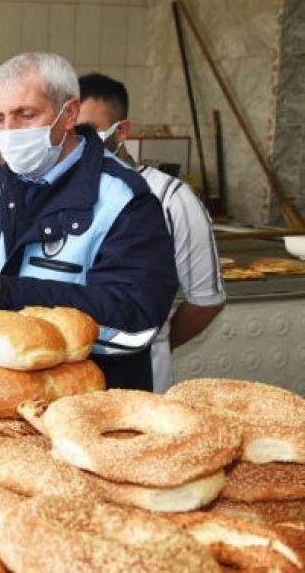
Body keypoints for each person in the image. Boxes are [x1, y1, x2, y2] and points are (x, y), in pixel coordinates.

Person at [0, 52, 178, 391]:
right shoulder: (4, 184)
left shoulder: (124, 200)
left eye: (25, 115)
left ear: (69, 113)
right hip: (3, 390)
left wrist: (6, 293)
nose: (9, 132)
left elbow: (134, 317)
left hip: (93, 401)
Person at [78, 72, 226, 393]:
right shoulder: (64, 195)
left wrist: (153, 340)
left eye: (89, 131)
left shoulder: (171, 198)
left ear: (122, 131)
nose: (79, 142)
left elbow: (206, 301)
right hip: (69, 376)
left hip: (140, 381)